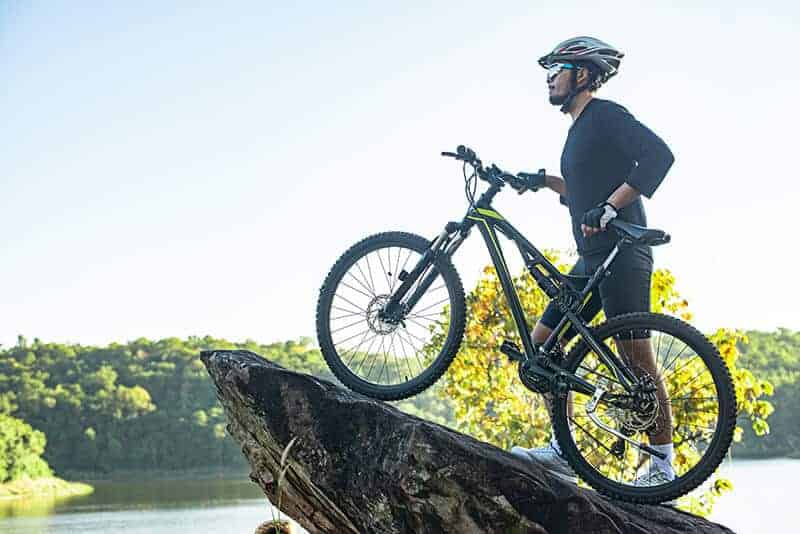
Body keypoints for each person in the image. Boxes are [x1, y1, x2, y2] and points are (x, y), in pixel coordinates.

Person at [509, 36, 676, 489]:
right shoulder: (579, 129)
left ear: (582, 74)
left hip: (624, 252)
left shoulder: (605, 115)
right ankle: (564, 448)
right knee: (541, 348)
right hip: (591, 259)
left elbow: (659, 156)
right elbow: (583, 193)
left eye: (557, 69)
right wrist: (544, 182)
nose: (549, 77)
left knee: (634, 356)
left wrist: (610, 206)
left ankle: (662, 463)